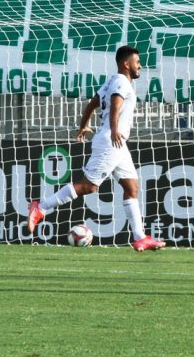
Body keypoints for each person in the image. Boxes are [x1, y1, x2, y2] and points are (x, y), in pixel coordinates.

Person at [27, 45, 166, 252]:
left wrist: (84, 125)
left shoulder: (112, 80)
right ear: (126, 63)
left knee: (131, 187)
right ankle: (41, 208)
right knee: (89, 186)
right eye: (137, 62)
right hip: (112, 140)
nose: (140, 65)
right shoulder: (120, 82)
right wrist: (114, 128)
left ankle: (140, 237)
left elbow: (92, 104)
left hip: (117, 141)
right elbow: (116, 103)